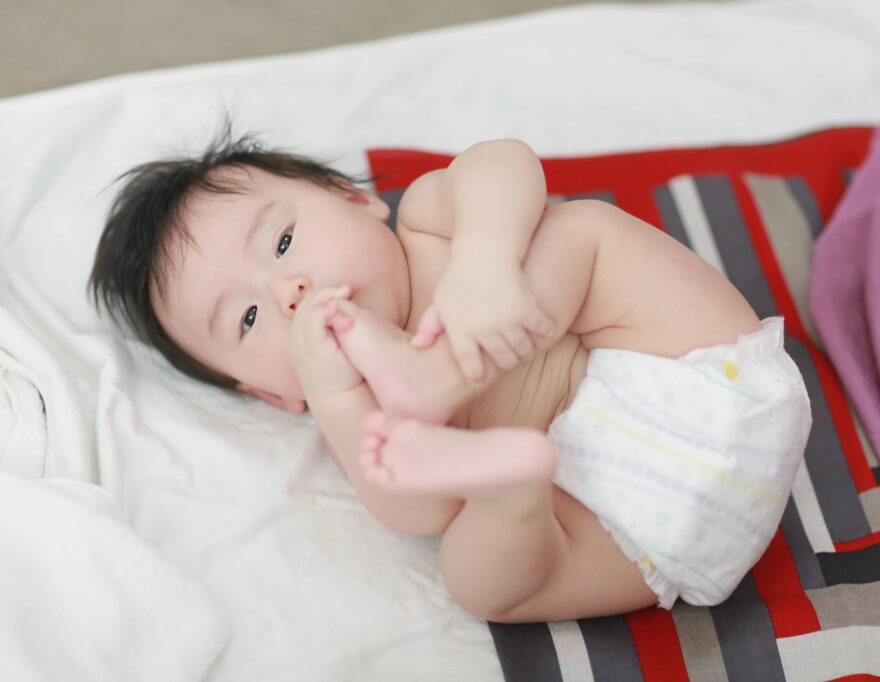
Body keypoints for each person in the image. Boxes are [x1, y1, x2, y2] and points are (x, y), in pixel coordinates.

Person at [90, 131, 812, 623]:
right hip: (635, 536)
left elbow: (502, 160)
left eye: (282, 241)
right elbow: (420, 514)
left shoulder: (432, 231)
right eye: (247, 320)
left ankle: (439, 379)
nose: (289, 292)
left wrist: (486, 259)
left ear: (354, 199)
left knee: (579, 232)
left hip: (698, 377)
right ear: (277, 395)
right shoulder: (358, 406)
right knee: (478, 581)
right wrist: (339, 393)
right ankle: (510, 492)